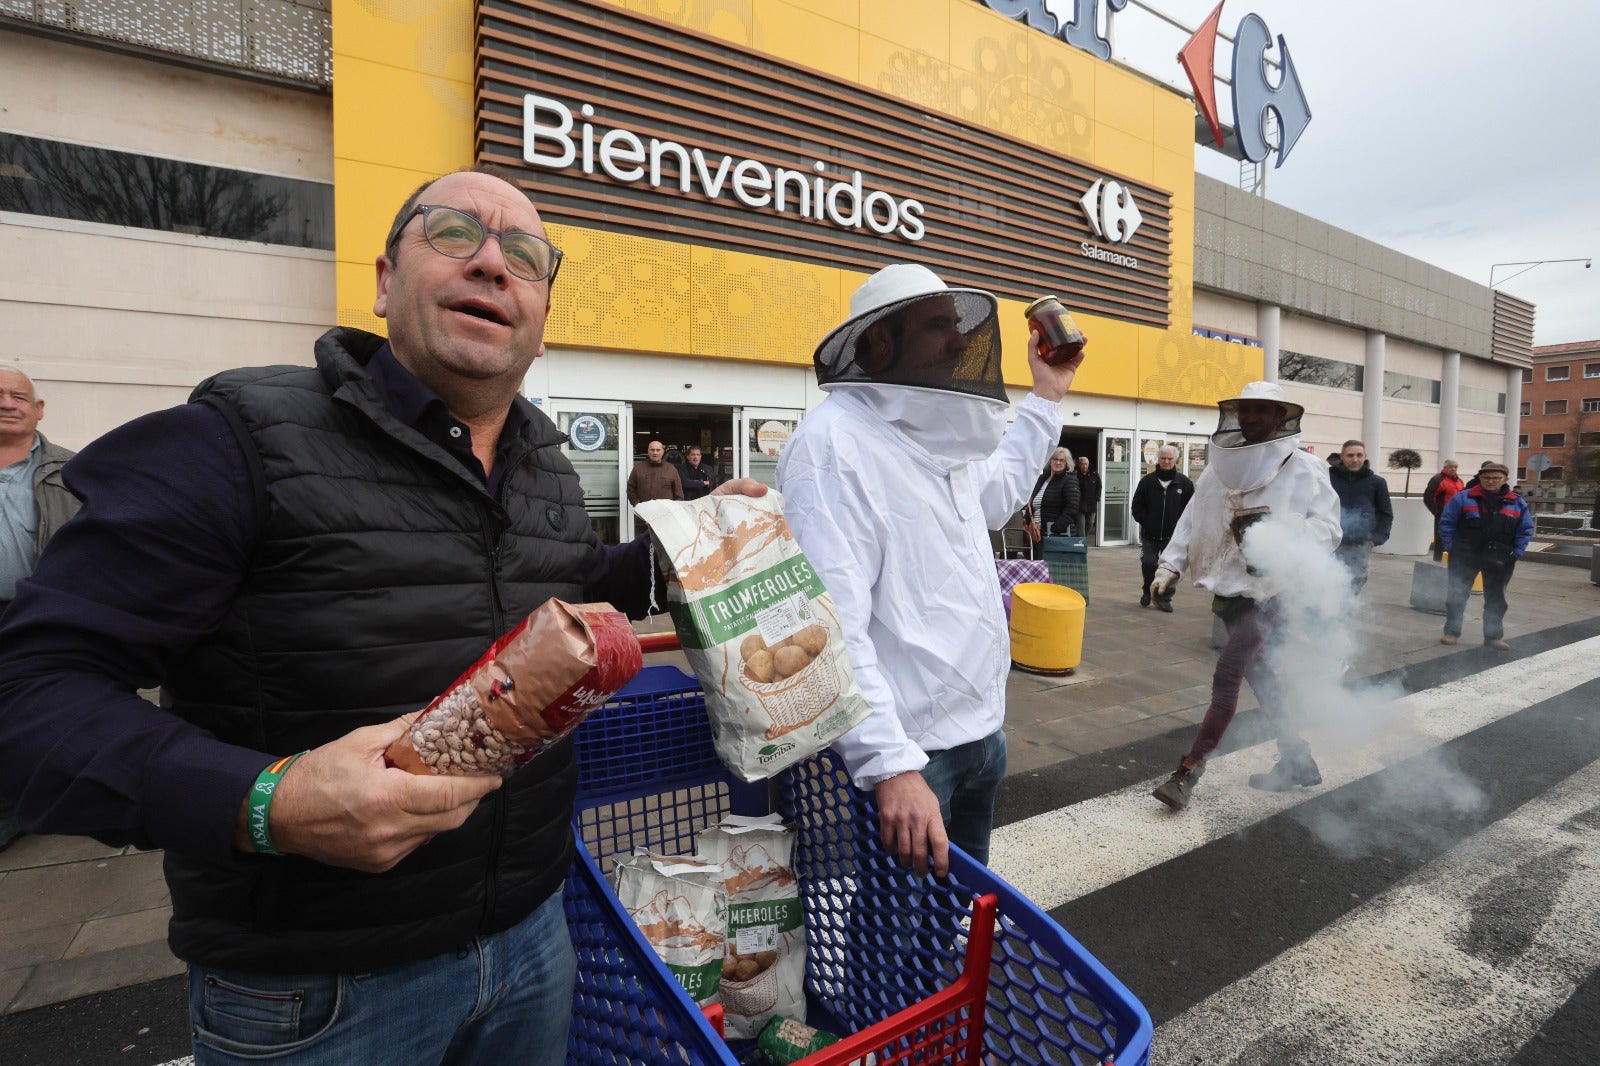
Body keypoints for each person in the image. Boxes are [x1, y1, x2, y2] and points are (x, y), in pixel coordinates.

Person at [0, 166, 763, 1064]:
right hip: (318, 993)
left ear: (543, 320)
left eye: (524, 255)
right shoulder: (236, 438)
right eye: (451, 234)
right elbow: (30, 694)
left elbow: (560, 584)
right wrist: (264, 802)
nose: (491, 264)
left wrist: (676, 554)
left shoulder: (546, 466)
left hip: (532, 942)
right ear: (382, 281)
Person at [777, 264, 1086, 877]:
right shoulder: (833, 445)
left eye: (959, 326)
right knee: (895, 957)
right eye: (939, 326)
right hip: (914, 759)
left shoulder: (938, 433)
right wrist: (889, 764)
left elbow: (994, 496)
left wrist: (1047, 397)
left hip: (981, 736)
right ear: (882, 341)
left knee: (953, 929)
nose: (960, 342)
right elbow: (829, 626)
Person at [1147, 381, 1341, 810]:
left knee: (1229, 674)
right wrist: (1168, 565)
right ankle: (1297, 758)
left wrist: (1282, 530)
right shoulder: (1220, 467)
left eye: (1261, 411)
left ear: (1279, 417)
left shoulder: (1305, 468)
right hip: (1232, 588)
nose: (1252, 418)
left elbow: (1329, 531)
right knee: (1262, 678)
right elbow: (1192, 519)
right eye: (1246, 410)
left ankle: (1188, 771)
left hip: (1274, 590)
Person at [0, 365, 81, 852]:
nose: (8, 403)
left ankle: (27, 799)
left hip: (37, 610)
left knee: (35, 708)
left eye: (18, 396)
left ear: (38, 409)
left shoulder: (70, 470)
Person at [1438, 462, 1533, 651]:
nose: (1490, 481)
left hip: (1500, 557)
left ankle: (1493, 636)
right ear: (1480, 478)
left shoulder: (1517, 502)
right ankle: (1452, 632)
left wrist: (1517, 552)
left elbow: (1525, 529)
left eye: (1495, 478)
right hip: (1465, 555)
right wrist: (1451, 547)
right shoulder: (1463, 498)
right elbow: (1446, 523)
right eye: (1486, 478)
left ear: (1505, 479)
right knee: (1456, 594)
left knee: (1496, 598)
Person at [1130, 445, 1193, 611]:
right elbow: (1136, 507)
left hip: (1173, 537)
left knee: (1171, 569)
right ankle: (1147, 589)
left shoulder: (1184, 483)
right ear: (1158, 459)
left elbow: (1191, 510)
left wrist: (1183, 529)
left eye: (1169, 459)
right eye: (1163, 458)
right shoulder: (1147, 482)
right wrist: (1147, 522)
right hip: (1150, 535)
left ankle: (1164, 597)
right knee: (1148, 563)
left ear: (1175, 460)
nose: (1166, 461)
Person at [1326, 439, 1393, 592]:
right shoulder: (1326, 477)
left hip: (1360, 544)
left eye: (1359, 455)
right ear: (1342, 456)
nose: (1355, 459)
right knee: (1326, 583)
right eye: (1350, 455)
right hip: (1329, 541)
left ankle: (1345, 614)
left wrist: (1376, 539)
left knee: (1354, 584)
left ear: (1365, 456)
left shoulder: (1377, 482)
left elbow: (1385, 513)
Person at [1024, 446, 1080, 554]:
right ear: (1050, 461)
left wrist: (1055, 529)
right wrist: (1027, 522)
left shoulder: (1069, 480)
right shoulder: (1042, 479)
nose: (1057, 462)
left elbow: (1072, 507)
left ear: (1067, 463)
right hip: (1036, 534)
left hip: (1055, 536)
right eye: (1055, 459)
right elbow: (1032, 503)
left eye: (1061, 460)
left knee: (1051, 569)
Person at [1422, 459, 1464, 561]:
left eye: (1455, 467)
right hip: (1443, 514)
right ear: (1445, 467)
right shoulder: (1437, 480)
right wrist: (1436, 511)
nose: (1453, 469)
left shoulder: (1460, 481)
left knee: (1456, 538)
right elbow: (1428, 497)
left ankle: (1453, 561)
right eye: (1451, 466)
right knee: (1440, 539)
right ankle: (1438, 561)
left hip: (1458, 515)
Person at [626, 438, 683, 504]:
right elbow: (630, 488)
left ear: (662, 452)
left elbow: (679, 493)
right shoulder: (639, 468)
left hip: (665, 512)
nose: (655, 452)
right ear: (648, 451)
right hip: (644, 512)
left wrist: (674, 508)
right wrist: (637, 505)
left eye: (658, 450)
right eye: (652, 450)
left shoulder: (671, 469)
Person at [1074, 454, 1101, 537]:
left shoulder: (1094, 474)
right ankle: (1081, 542)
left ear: (1088, 465)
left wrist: (1097, 497)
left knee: (1090, 523)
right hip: (1079, 505)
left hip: (1091, 504)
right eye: (1082, 464)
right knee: (1081, 526)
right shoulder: (1075, 475)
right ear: (1079, 465)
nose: (1084, 466)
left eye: (1086, 464)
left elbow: (1099, 486)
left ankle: (1083, 538)